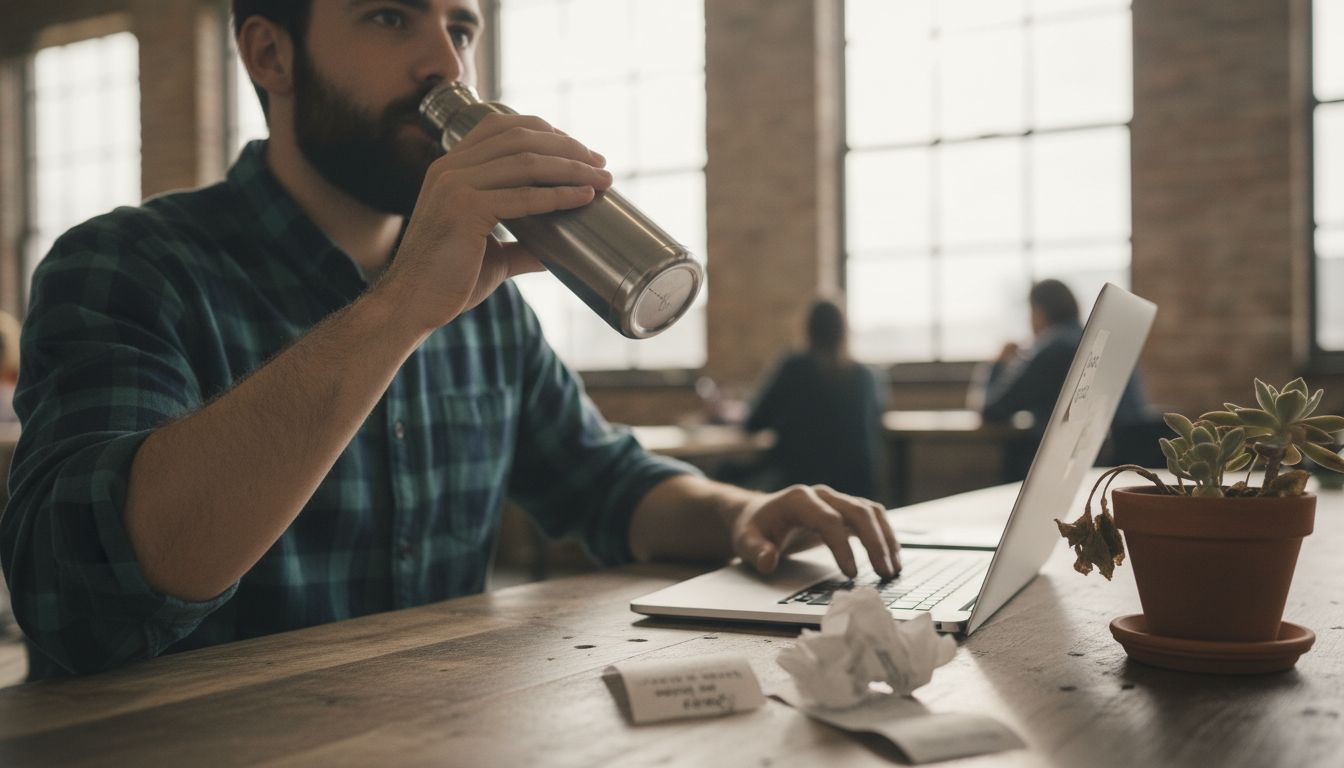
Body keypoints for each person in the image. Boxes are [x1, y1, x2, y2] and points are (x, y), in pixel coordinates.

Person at [0, 0, 898, 680]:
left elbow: (606, 482)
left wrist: (741, 515)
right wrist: (395, 312)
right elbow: (73, 598)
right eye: (391, 16)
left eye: (461, 27)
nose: (445, 63)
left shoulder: (490, 304)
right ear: (270, 53)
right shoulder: (127, 266)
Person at [974, 279, 1149, 479]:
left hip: (1065, 470)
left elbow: (992, 409)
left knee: (1016, 452)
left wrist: (998, 363)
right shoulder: (1101, 341)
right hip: (1120, 460)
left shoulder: (1053, 348)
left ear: (1038, 312)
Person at [744, 300, 885, 499]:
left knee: (726, 473)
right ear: (844, 330)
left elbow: (753, 423)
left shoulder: (793, 369)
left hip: (800, 487)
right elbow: (877, 417)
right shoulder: (866, 376)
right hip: (858, 489)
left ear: (807, 329)